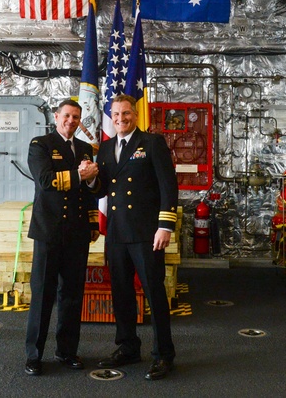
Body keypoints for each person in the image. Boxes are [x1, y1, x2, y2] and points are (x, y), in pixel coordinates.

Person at [95, 93, 178, 380]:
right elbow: (100, 190)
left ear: (136, 115)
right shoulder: (105, 149)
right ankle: (128, 346)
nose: (121, 119)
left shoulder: (151, 143)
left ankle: (164, 354)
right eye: (116, 114)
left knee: (154, 293)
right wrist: (91, 177)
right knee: (121, 294)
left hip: (146, 233)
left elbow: (169, 186)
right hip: (117, 233)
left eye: (126, 114)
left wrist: (165, 226)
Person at [24, 99, 101, 376]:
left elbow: (90, 191)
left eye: (76, 117)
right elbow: (45, 182)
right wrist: (81, 175)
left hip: (77, 233)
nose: (71, 120)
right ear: (57, 117)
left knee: (71, 296)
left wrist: (93, 221)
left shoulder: (84, 149)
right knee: (43, 295)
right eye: (67, 115)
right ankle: (34, 355)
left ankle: (66, 351)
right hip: (49, 233)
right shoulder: (40, 145)